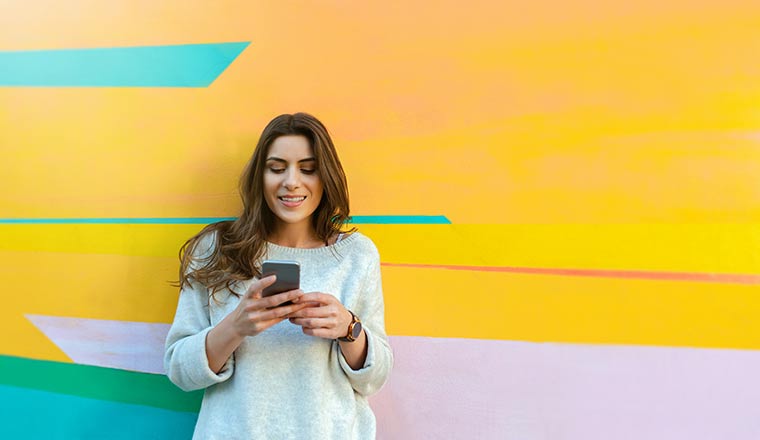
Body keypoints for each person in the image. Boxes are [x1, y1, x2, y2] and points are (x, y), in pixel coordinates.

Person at [164, 112, 393, 439]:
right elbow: (180, 372)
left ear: (325, 176)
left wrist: (348, 328)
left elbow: (375, 378)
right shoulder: (215, 248)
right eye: (276, 168)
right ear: (260, 176)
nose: (291, 181)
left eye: (308, 169)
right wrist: (236, 325)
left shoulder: (357, 255)